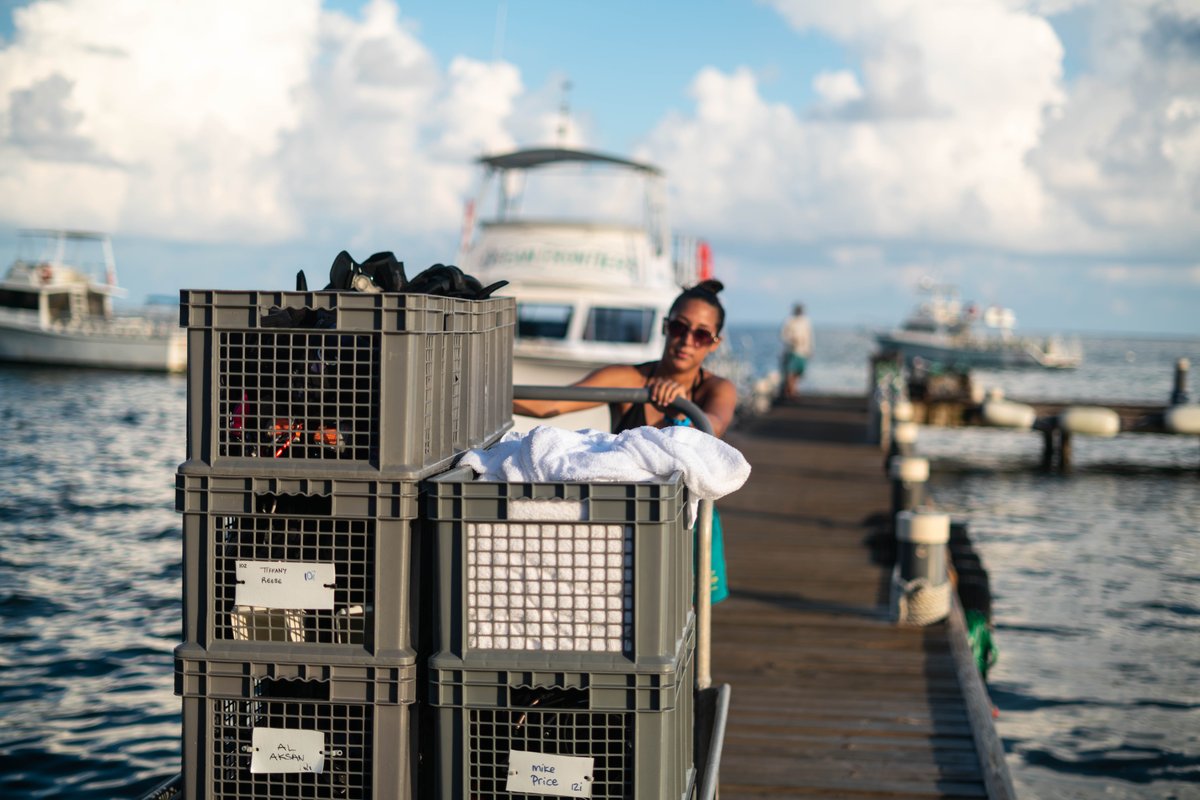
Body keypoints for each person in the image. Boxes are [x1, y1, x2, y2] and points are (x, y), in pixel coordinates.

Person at [513, 278, 738, 603]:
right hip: (629, 520)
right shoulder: (629, 380)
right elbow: (549, 405)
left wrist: (681, 407)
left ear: (714, 343)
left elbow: (714, 426)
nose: (687, 341)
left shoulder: (715, 389)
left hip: (689, 523)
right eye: (679, 328)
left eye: (701, 334)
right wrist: (478, 390)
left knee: (690, 617)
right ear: (665, 327)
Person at [779, 302, 813, 400]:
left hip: (802, 351)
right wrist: (792, 340)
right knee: (790, 371)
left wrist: (809, 349)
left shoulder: (806, 321)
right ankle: (791, 391)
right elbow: (783, 335)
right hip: (791, 351)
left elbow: (809, 336)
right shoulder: (789, 321)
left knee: (799, 372)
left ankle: (792, 389)